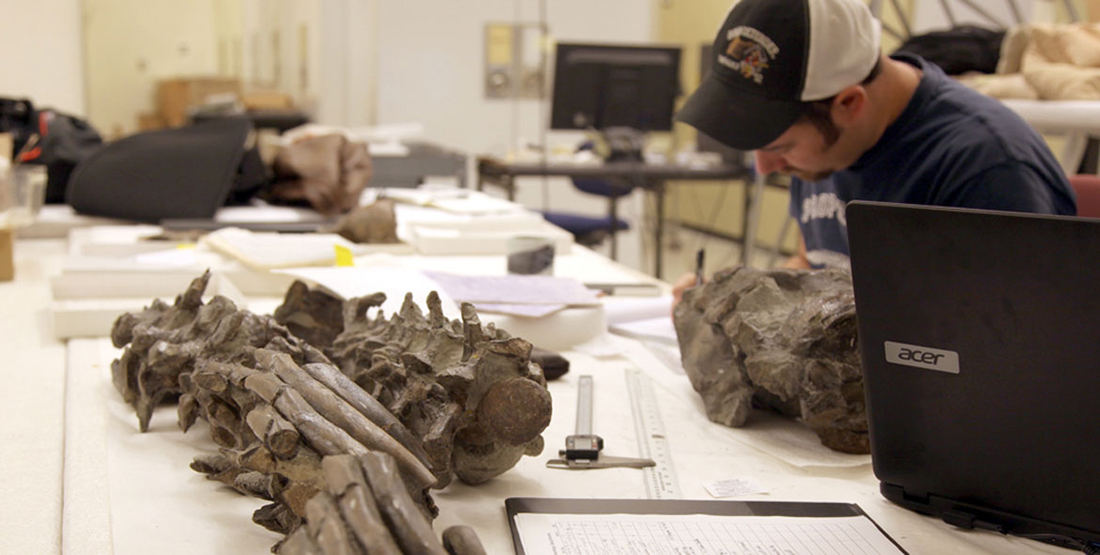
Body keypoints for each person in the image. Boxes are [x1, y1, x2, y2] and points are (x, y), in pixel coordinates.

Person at [670, 0, 1075, 301]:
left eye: (781, 147)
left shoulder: (989, 170)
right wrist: (743, 297)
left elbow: (1016, 351)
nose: (765, 167)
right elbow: (810, 262)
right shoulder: (823, 147)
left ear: (849, 103)